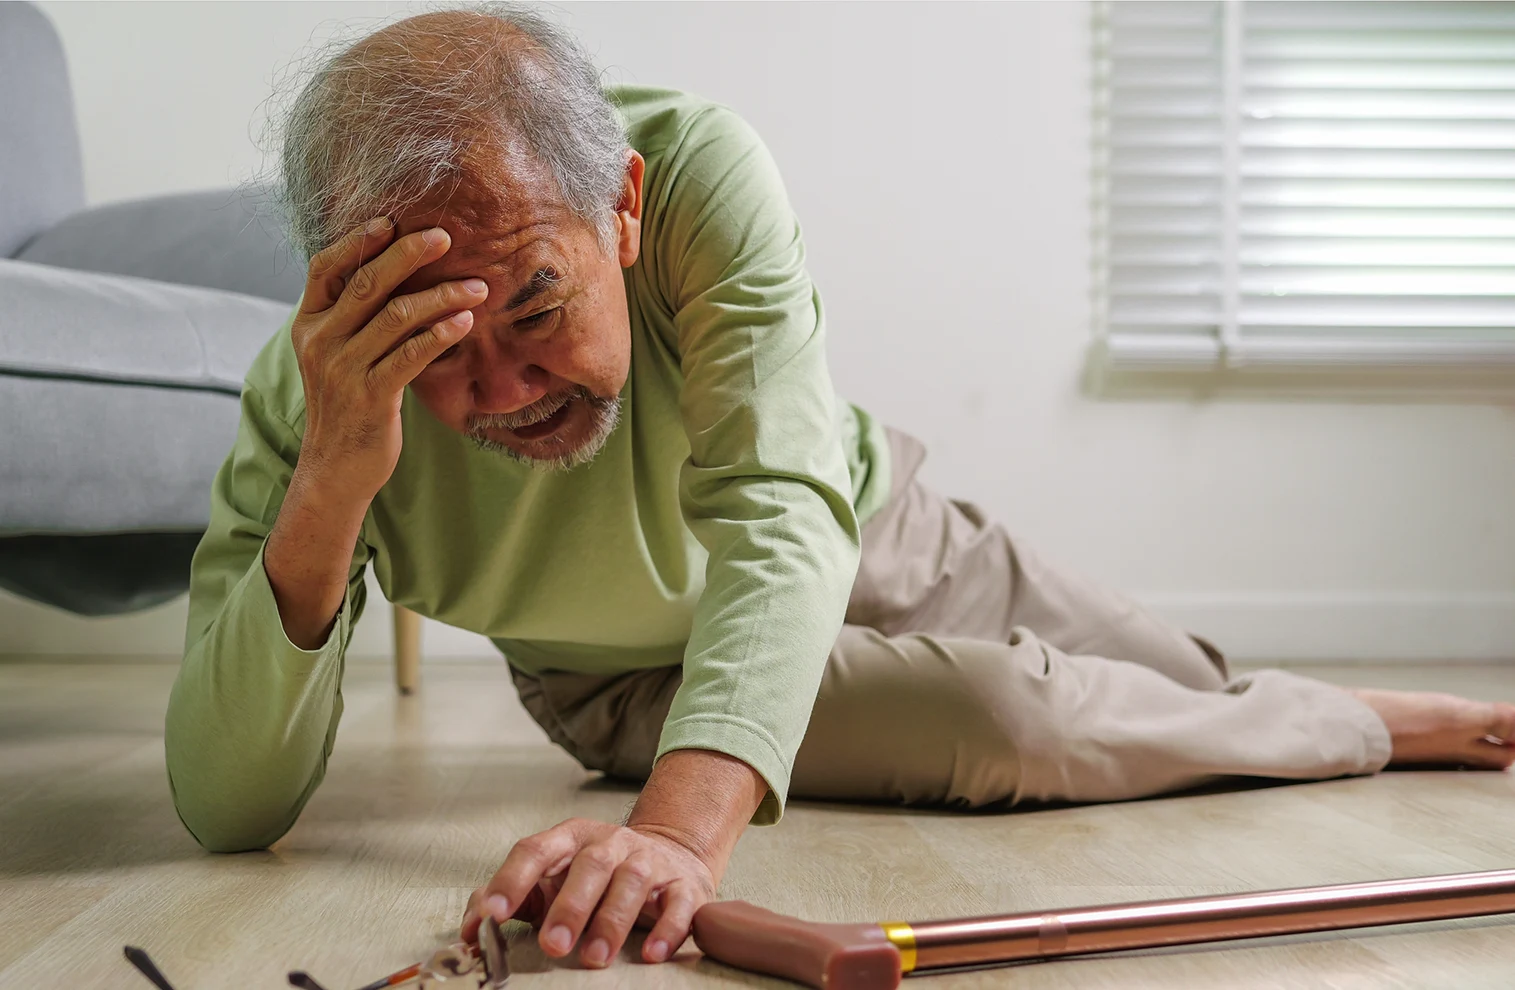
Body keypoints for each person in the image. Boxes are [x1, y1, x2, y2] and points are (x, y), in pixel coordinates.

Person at [165, 3, 1515, 972]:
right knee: (1019, 717)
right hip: (621, 671)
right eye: (447, 348)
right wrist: (337, 477)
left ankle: (1312, 710)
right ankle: (1352, 720)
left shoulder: (693, 171)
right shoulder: (319, 393)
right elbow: (227, 805)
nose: (507, 384)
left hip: (870, 525)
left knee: (1167, 670)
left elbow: (781, 504)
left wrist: (676, 840)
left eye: (536, 308)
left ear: (621, 213)